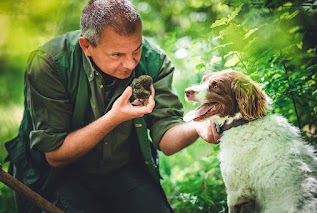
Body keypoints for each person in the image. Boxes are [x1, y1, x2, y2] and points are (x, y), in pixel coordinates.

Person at [5, 0, 220, 212]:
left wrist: (197, 126)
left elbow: (166, 139)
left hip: (122, 170)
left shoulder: (153, 60)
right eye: (117, 55)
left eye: (136, 50)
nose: (130, 63)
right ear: (86, 45)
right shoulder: (50, 64)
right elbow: (55, 156)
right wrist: (114, 117)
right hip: (59, 177)